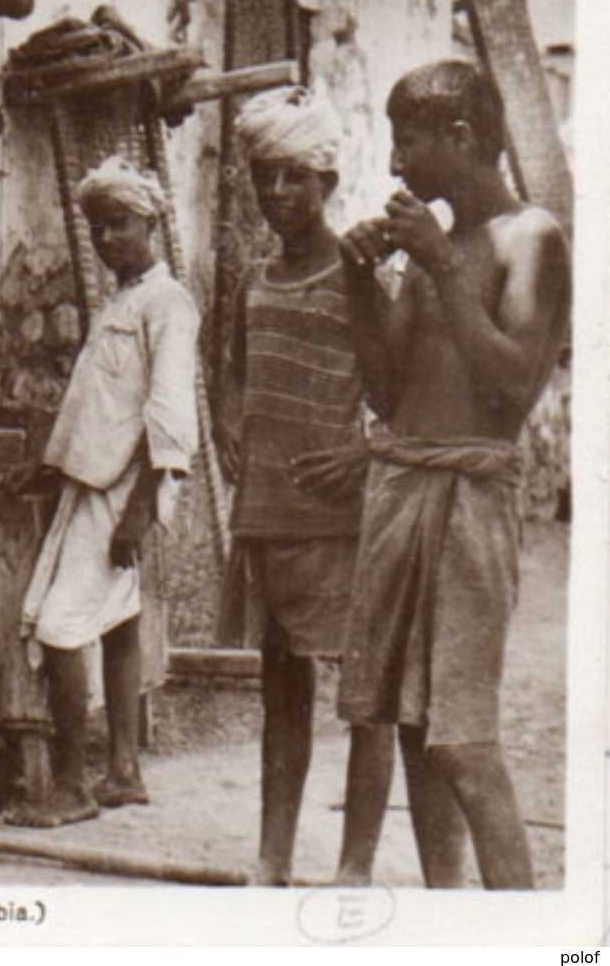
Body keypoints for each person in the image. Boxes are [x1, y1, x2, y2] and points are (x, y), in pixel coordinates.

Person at [335, 59, 569, 890]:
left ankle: (523, 926)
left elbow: (508, 387)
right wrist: (361, 283)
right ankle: (448, 919)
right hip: (403, 486)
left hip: (471, 498)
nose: (396, 165)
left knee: (463, 740)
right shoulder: (437, 240)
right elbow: (388, 390)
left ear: (461, 139)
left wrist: (436, 265)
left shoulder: (531, 237)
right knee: (410, 724)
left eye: (408, 144)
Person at [213, 87, 395, 886]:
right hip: (267, 512)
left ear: (325, 179)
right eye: (264, 177)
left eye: (294, 177)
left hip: (339, 519)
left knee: (364, 695)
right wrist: (228, 426)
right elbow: (232, 370)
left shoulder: (355, 271)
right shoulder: (254, 278)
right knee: (280, 690)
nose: (278, 194)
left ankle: (354, 867)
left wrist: (364, 453)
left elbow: (404, 392)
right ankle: (272, 855)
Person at [7, 155, 200, 827]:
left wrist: (140, 510)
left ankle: (69, 784)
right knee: (117, 621)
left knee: (61, 628)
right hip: (88, 482)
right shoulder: (120, 300)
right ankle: (122, 770)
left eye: (119, 224)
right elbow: (97, 404)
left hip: (124, 489)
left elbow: (168, 410)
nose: (107, 239)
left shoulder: (166, 302)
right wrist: (47, 465)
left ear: (148, 224)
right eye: (97, 229)